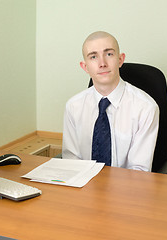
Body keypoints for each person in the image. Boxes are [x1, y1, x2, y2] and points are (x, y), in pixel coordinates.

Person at [62, 31, 159, 171]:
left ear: (120, 60)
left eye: (109, 54)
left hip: (126, 188)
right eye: (93, 56)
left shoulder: (145, 108)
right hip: (82, 187)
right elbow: (70, 161)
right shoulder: (73, 106)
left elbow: (139, 171)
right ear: (85, 67)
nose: (102, 63)